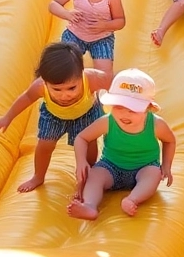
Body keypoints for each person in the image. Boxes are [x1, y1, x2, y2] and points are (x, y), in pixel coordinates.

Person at [0, 42, 110, 192]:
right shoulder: (40, 86)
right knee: (45, 145)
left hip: (86, 113)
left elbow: (116, 83)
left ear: (82, 74)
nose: (65, 95)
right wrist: (8, 117)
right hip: (54, 116)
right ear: (45, 82)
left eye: (72, 88)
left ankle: (89, 172)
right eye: (56, 89)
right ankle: (38, 176)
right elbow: (26, 98)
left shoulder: (93, 79)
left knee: (88, 144)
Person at [66, 68, 176, 219]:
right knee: (95, 175)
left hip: (144, 167)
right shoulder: (107, 121)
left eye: (132, 110)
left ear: (148, 108)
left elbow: (169, 140)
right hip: (111, 166)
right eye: (118, 107)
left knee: (154, 174)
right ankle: (89, 206)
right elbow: (81, 138)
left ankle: (132, 199)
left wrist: (166, 166)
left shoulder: (156, 124)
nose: (124, 114)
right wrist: (81, 161)